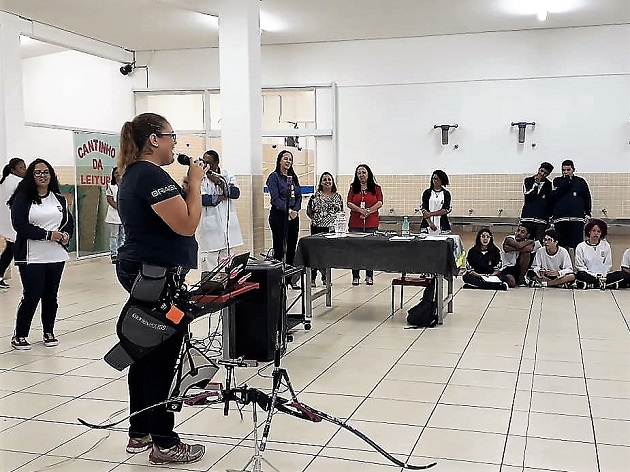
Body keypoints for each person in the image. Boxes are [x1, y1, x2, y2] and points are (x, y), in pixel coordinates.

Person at [115, 112, 206, 465]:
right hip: (155, 276)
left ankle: (139, 432)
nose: (174, 144)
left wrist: (185, 190)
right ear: (154, 139)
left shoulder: (137, 174)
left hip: (147, 270)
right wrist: (195, 185)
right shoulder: (150, 174)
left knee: (144, 350)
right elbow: (186, 224)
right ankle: (165, 443)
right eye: (171, 136)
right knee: (161, 359)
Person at [9, 159, 73, 350]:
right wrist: (48, 235)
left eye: (46, 172)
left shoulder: (59, 199)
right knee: (32, 295)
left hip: (55, 255)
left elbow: (68, 222)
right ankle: (20, 335)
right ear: (31, 175)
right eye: (38, 172)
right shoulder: (22, 198)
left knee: (51, 295)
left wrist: (65, 236)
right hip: (31, 256)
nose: (43, 176)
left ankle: (48, 331)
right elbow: (20, 226)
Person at [197, 149, 243, 271]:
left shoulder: (227, 175)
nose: (206, 166)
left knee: (227, 269)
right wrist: (223, 196)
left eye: (209, 163)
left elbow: (235, 193)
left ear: (217, 163)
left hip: (227, 231)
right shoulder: (200, 178)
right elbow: (203, 199)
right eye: (204, 162)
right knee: (209, 267)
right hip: (209, 230)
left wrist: (218, 181)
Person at [266, 149, 302, 289]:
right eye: (285, 159)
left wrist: (296, 210)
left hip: (293, 215)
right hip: (279, 215)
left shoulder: (293, 177)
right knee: (279, 248)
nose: (288, 161)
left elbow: (298, 195)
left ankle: (290, 279)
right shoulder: (274, 177)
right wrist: (287, 210)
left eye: (290, 159)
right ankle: (278, 280)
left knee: (292, 247)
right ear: (280, 160)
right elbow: (275, 199)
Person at [347, 164, 383, 286]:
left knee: (370, 249)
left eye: (364, 172)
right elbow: (349, 203)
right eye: (359, 173)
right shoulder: (353, 188)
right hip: (355, 223)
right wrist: (360, 210)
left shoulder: (376, 188)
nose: (361, 175)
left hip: (371, 223)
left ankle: (369, 275)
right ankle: (355, 276)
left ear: (368, 174)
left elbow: (379, 202)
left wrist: (368, 212)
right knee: (355, 250)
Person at [306, 172, 343, 287]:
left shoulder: (337, 196)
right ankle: (312, 278)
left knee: (327, 254)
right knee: (315, 253)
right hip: (317, 227)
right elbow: (309, 211)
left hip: (331, 229)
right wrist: (318, 219)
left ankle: (325, 277)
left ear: (332, 182)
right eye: (325, 179)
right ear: (321, 182)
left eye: (329, 179)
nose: (327, 181)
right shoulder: (315, 196)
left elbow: (340, 212)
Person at [551, 159, 592, 250]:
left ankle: (577, 264)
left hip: (577, 219)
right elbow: (553, 198)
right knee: (561, 246)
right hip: (560, 219)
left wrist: (588, 213)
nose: (566, 172)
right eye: (563, 170)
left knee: (577, 246)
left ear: (573, 170)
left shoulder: (580, 182)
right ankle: (564, 264)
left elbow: (587, 198)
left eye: (568, 170)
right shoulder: (557, 181)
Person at [574, 219, 624, 290]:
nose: (596, 233)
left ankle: (593, 284)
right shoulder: (581, 246)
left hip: (603, 275)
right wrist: (595, 275)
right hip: (588, 274)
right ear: (589, 231)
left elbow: (608, 265)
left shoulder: (606, 245)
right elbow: (579, 266)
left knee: (621, 274)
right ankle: (605, 284)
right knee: (579, 275)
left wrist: (602, 275)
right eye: (593, 231)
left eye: (598, 231)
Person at [0, 158, 27, 289]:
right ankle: (27, 277)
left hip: (6, 222)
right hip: (13, 222)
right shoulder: (17, 182)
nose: (24, 170)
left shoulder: (5, 181)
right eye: (21, 168)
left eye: (24, 167)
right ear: (13, 170)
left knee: (10, 250)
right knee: (16, 249)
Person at [520, 162, 554, 242]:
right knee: (525, 243)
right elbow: (527, 195)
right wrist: (535, 184)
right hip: (527, 218)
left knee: (539, 243)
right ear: (538, 169)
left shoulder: (549, 185)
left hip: (541, 220)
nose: (542, 174)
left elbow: (550, 202)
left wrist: (549, 217)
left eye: (545, 173)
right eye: (541, 171)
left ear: (548, 174)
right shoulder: (528, 181)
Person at [500, 223, 540, 288]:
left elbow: (529, 249)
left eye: (522, 232)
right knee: (512, 283)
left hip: (520, 268)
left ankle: (522, 277)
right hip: (507, 268)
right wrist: (530, 242)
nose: (518, 233)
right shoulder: (509, 238)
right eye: (518, 230)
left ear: (527, 235)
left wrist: (511, 249)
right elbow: (519, 245)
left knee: (526, 253)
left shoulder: (528, 242)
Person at [420, 170, 452, 235]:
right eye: (433, 178)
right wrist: (430, 223)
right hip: (427, 225)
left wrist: (430, 214)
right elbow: (424, 209)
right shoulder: (427, 193)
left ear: (442, 180)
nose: (434, 180)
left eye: (437, 179)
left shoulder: (446, 193)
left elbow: (445, 210)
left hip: (442, 224)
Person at [105, 167, 125, 263]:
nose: (118, 175)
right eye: (116, 173)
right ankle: (114, 254)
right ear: (113, 175)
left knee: (122, 235)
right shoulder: (110, 185)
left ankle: (121, 253)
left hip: (124, 215)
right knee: (114, 235)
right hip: (114, 215)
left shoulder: (126, 185)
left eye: (120, 172)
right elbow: (109, 199)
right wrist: (119, 207)